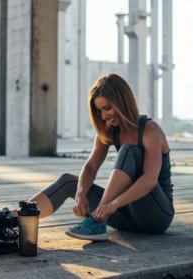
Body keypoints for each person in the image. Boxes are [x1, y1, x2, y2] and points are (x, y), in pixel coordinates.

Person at [12, 73, 174, 241]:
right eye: (100, 111)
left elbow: (149, 180)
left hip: (156, 217)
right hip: (126, 216)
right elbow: (90, 167)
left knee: (128, 151)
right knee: (69, 182)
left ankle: (97, 222)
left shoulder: (150, 131)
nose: (104, 116)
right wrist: (81, 195)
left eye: (107, 108)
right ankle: (12, 219)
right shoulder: (109, 130)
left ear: (122, 102)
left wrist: (112, 205)